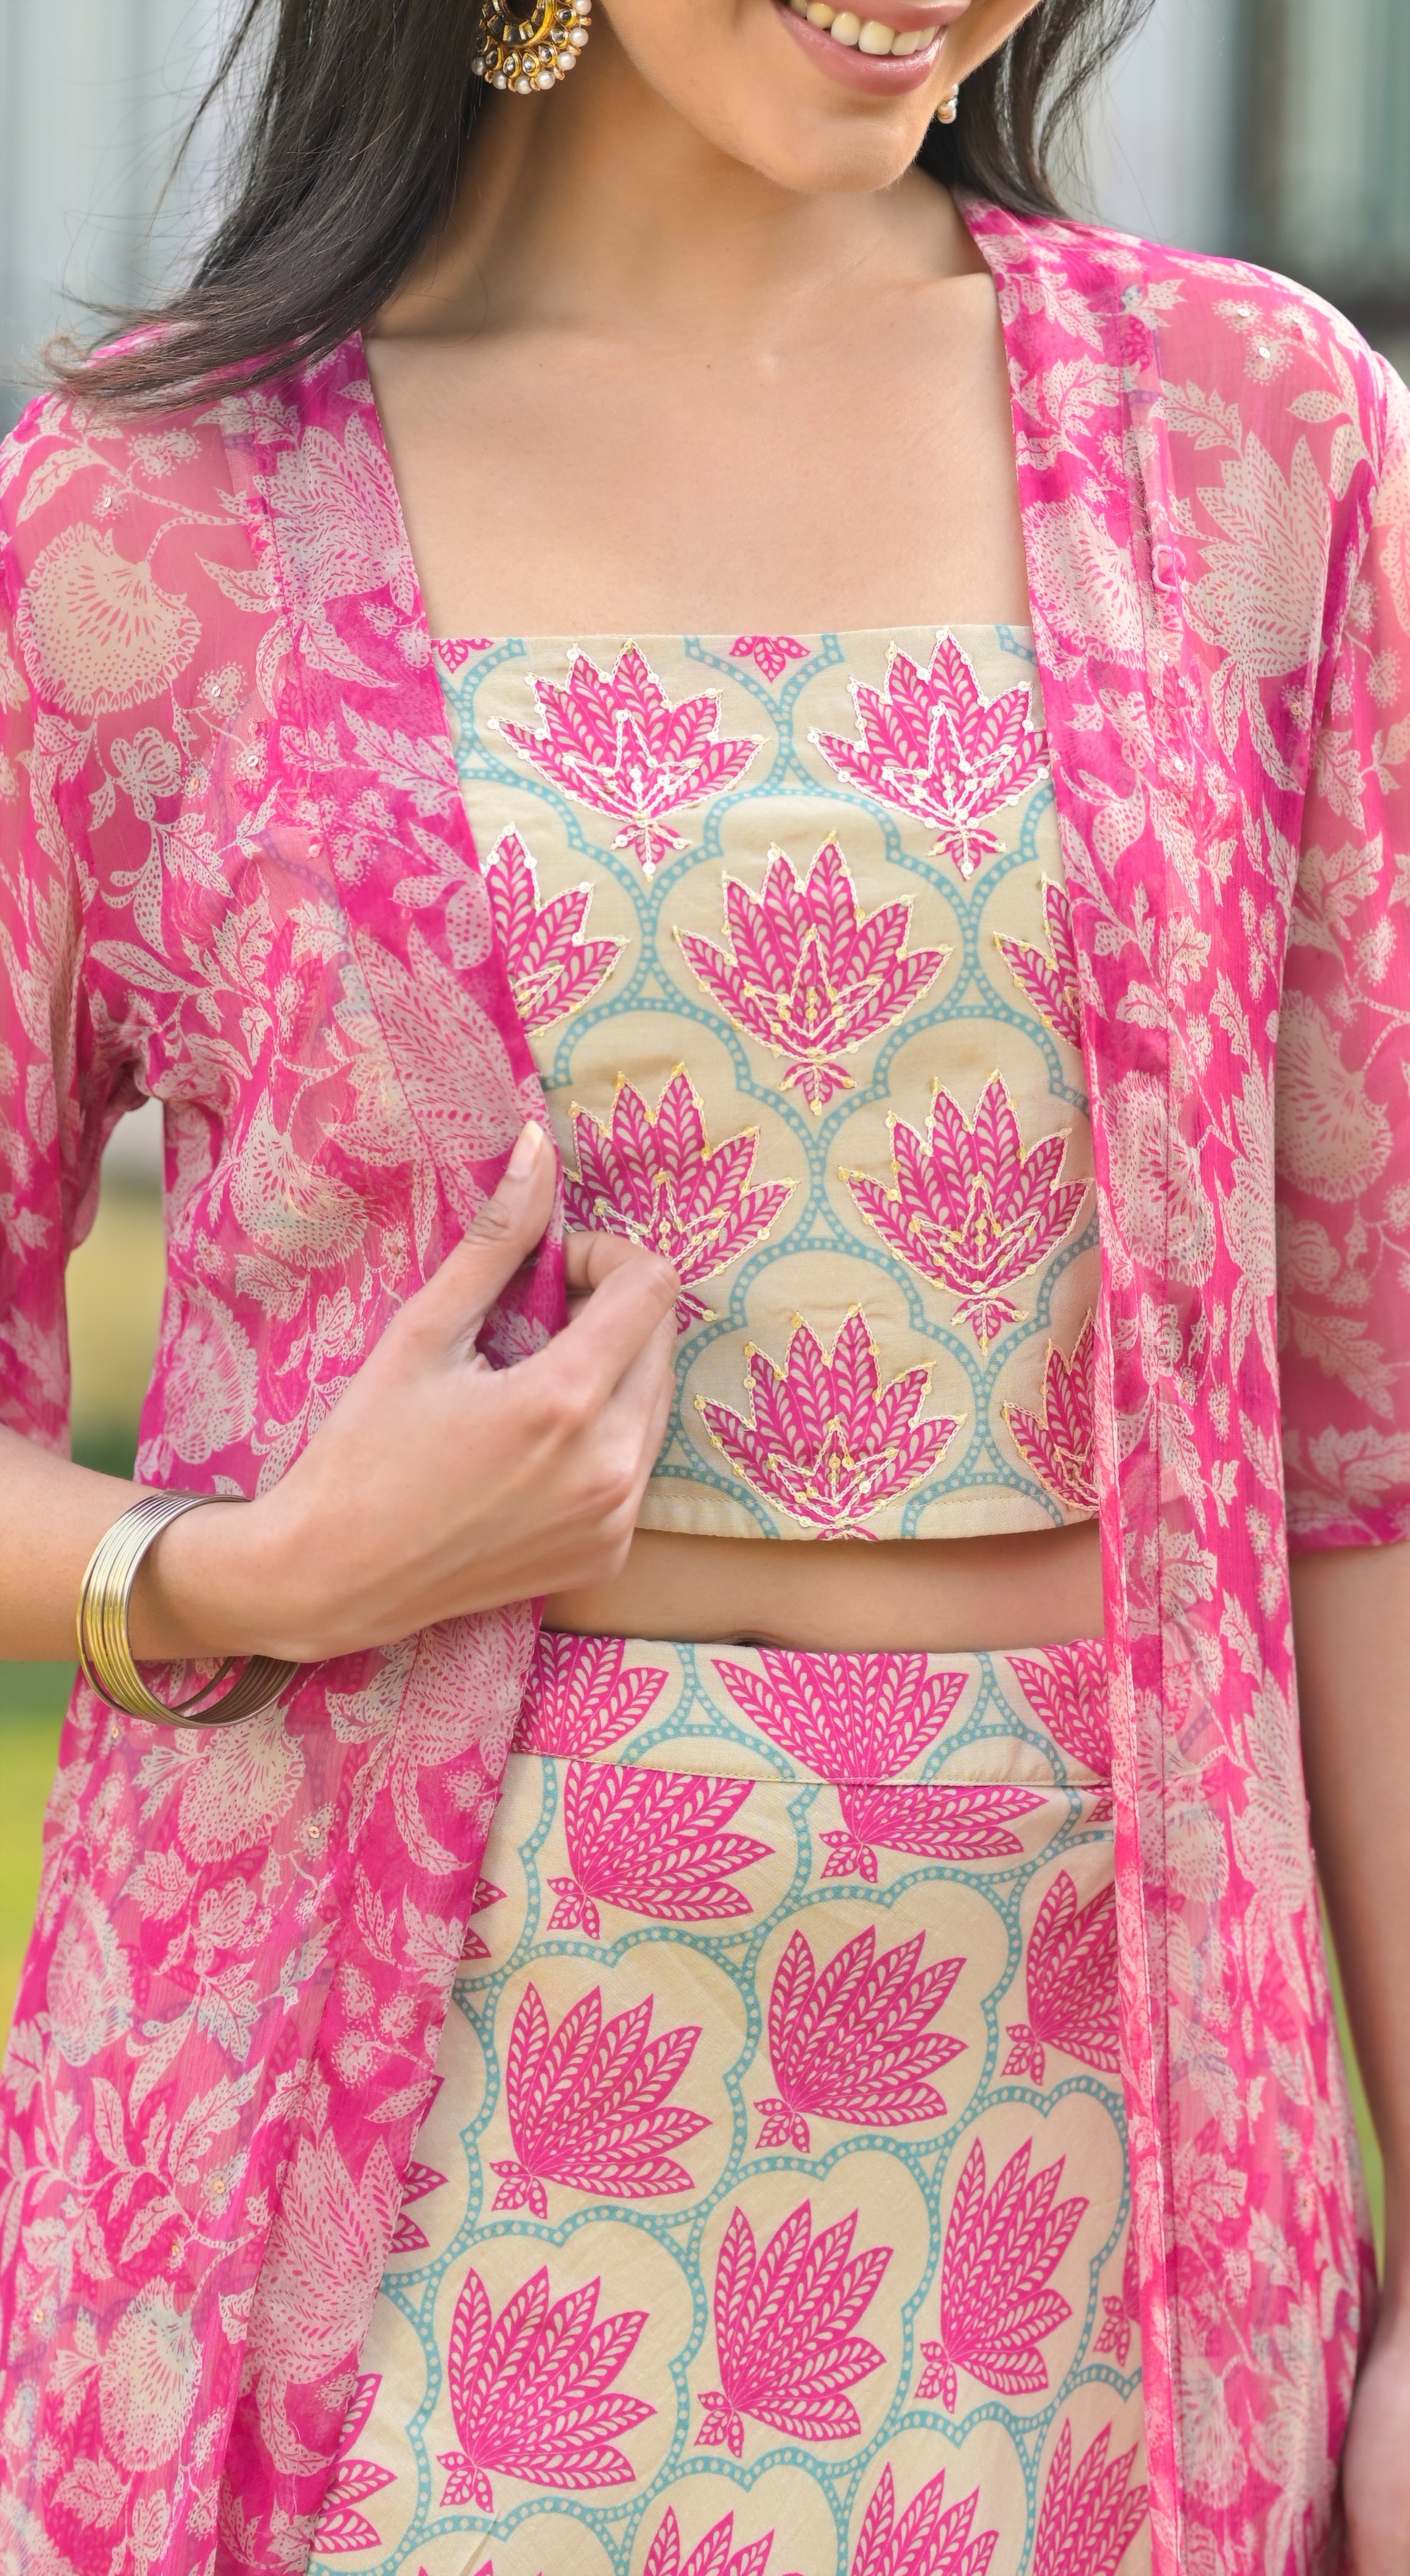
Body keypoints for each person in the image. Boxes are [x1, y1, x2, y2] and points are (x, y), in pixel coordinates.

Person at [1, 0, 1408, 2567]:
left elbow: (1368, 1427)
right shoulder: (148, 512)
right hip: (384, 2155)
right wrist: (227, 1569)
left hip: (1102, 2159)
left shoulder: (1255, 435)